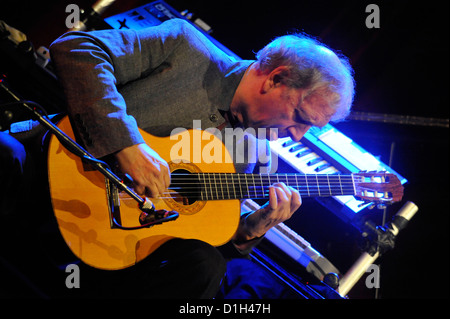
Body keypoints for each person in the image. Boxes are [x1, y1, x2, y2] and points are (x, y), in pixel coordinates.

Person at [1, 18, 354, 298]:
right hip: (46, 171)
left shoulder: (249, 153)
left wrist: (249, 230)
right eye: (301, 118)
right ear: (276, 79)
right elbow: (76, 48)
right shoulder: (185, 48)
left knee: (205, 267)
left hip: (111, 246)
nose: (297, 135)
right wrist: (127, 146)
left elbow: (189, 233)